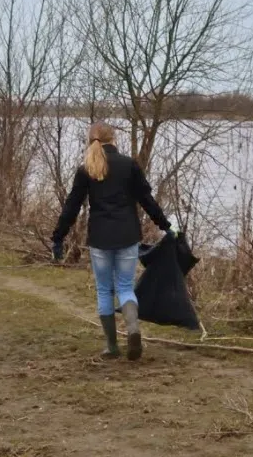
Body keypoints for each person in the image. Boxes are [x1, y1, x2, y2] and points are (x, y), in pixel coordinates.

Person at [50, 121, 176, 361]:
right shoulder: (129, 166)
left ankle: (112, 346)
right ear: (113, 138)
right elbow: (147, 200)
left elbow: (71, 207)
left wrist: (58, 237)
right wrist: (166, 227)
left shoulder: (86, 168)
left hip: (100, 238)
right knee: (126, 287)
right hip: (127, 235)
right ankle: (133, 330)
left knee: (104, 290)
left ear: (91, 141)